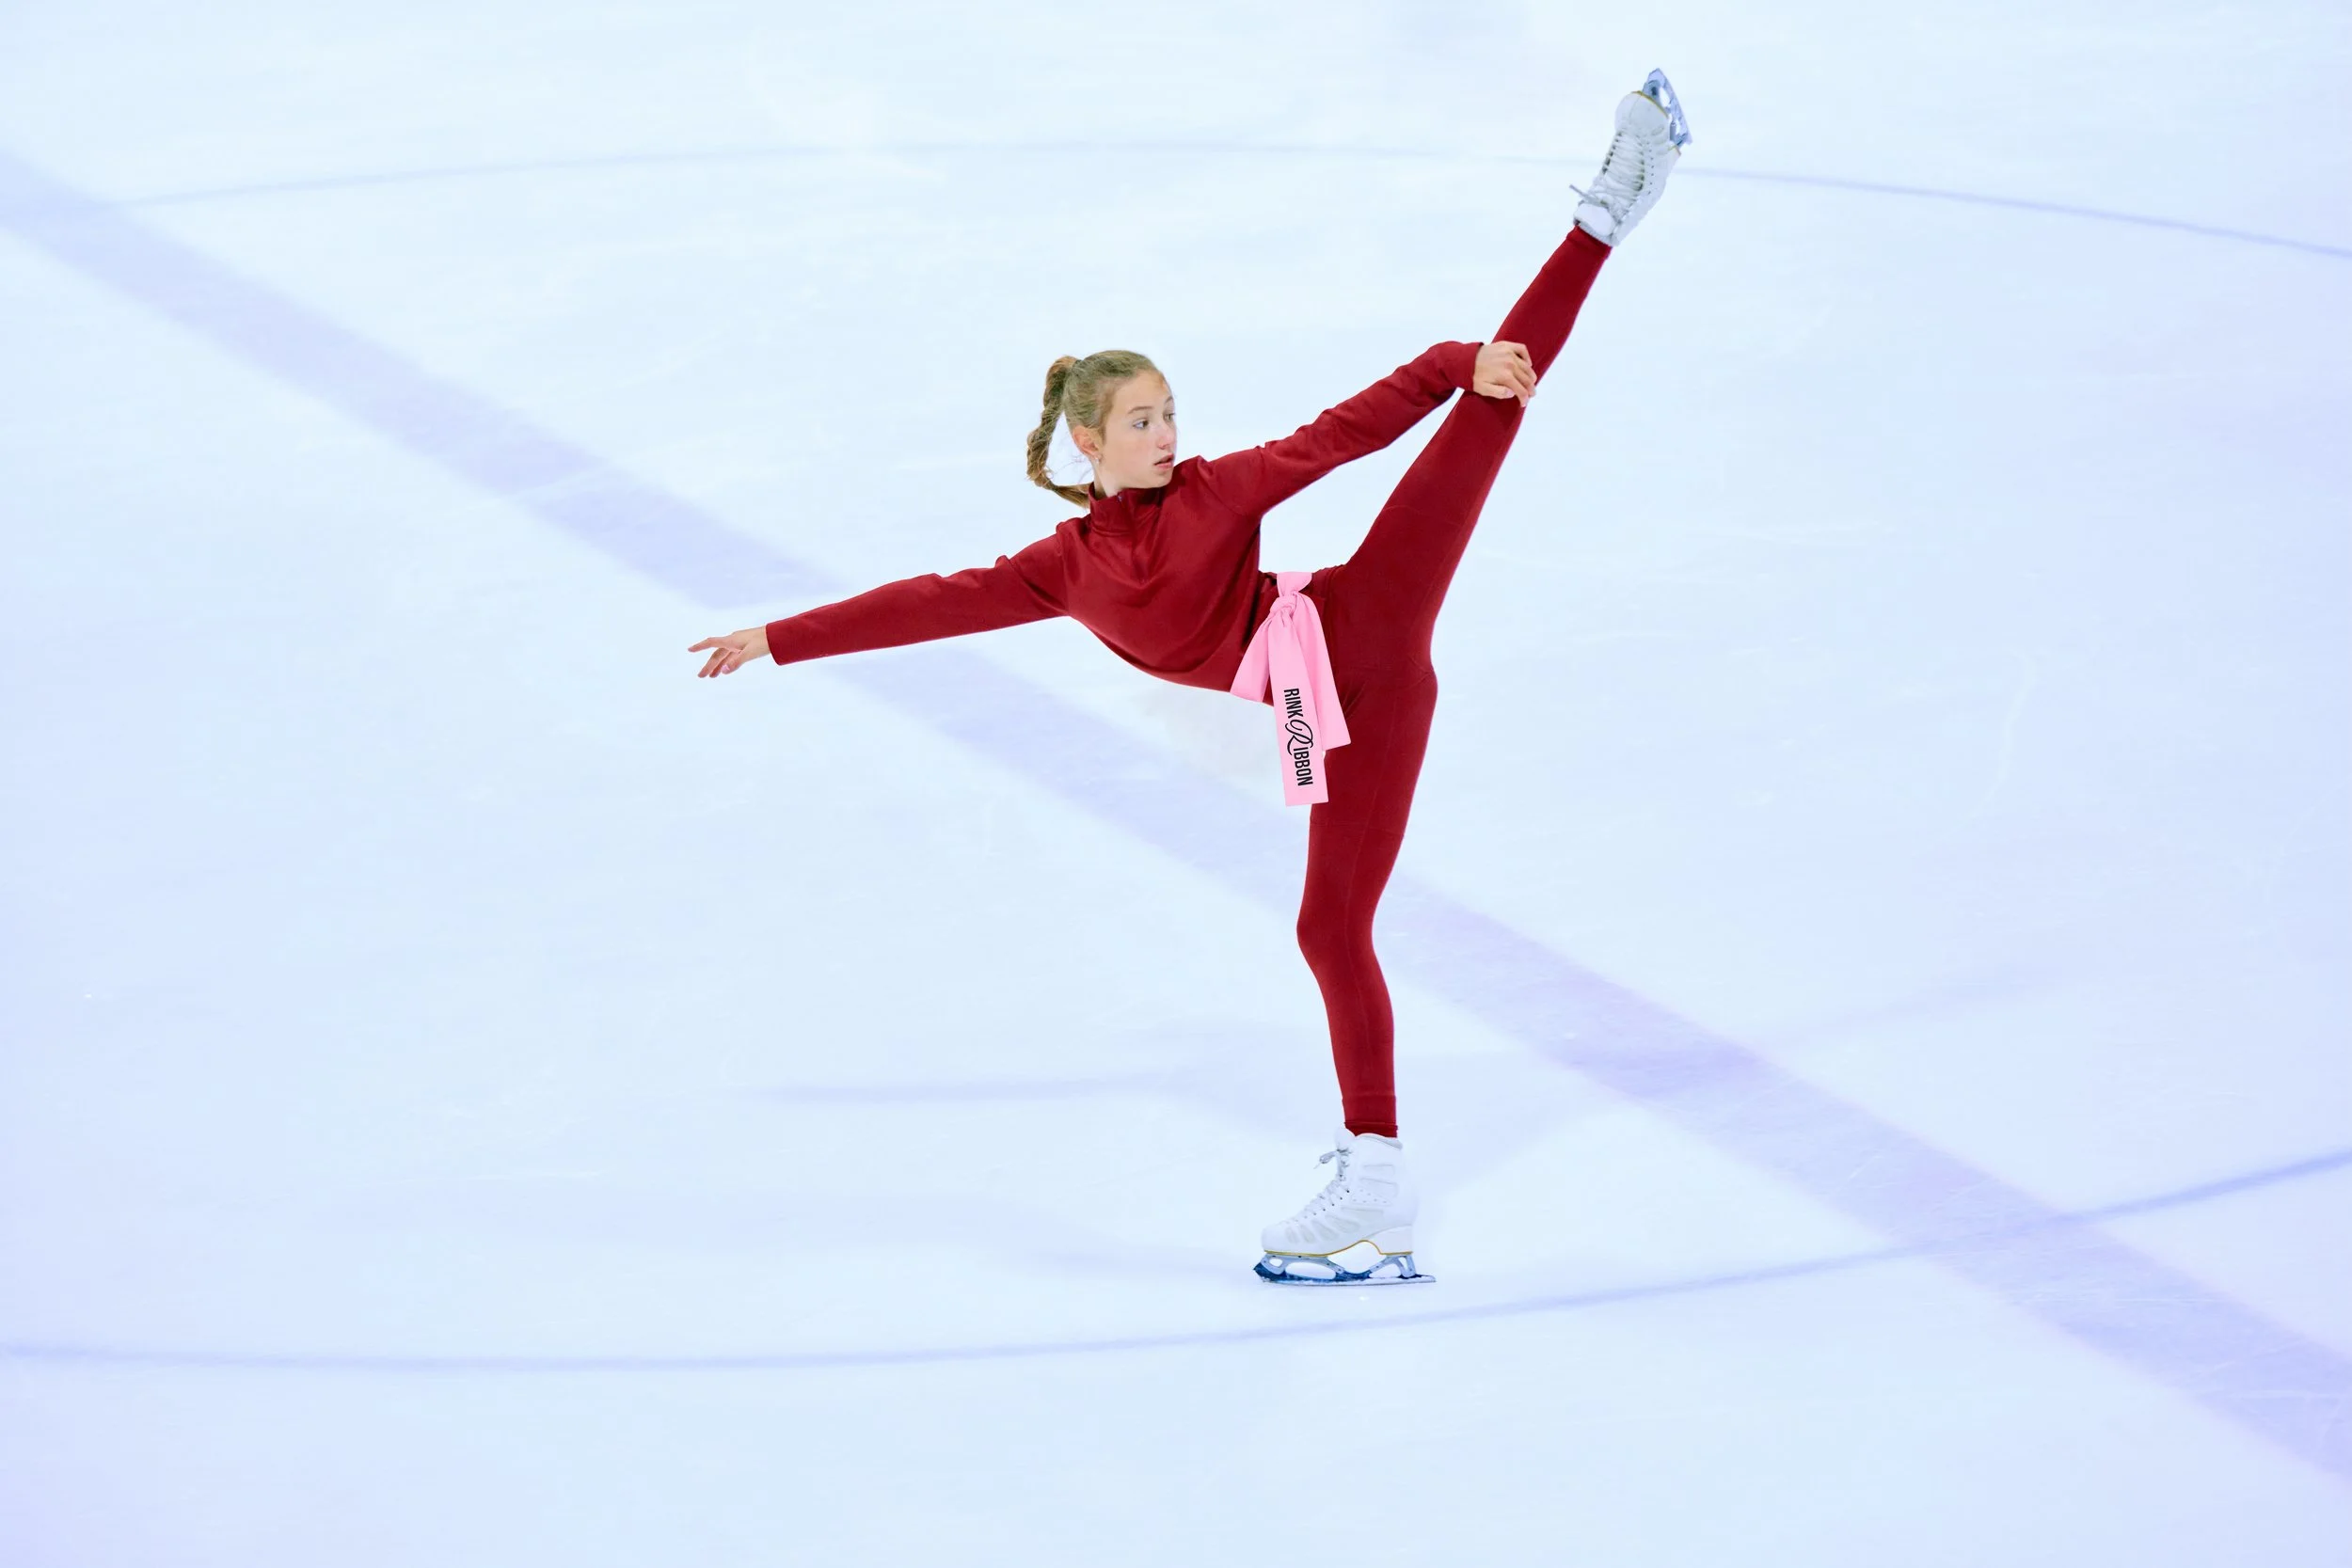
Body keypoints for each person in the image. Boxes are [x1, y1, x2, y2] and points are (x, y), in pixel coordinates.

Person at [691, 71, 1692, 1285]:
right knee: (1332, 926)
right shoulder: (1060, 568)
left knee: (1489, 406)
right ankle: (1375, 1175)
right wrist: (780, 636)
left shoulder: (1214, 494)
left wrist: (1447, 361)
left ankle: (1604, 212)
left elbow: (1335, 433)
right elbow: (930, 605)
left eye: (1171, 412)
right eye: (1143, 422)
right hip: (1338, 700)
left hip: (1358, 634)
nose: (1168, 435)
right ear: (1087, 444)